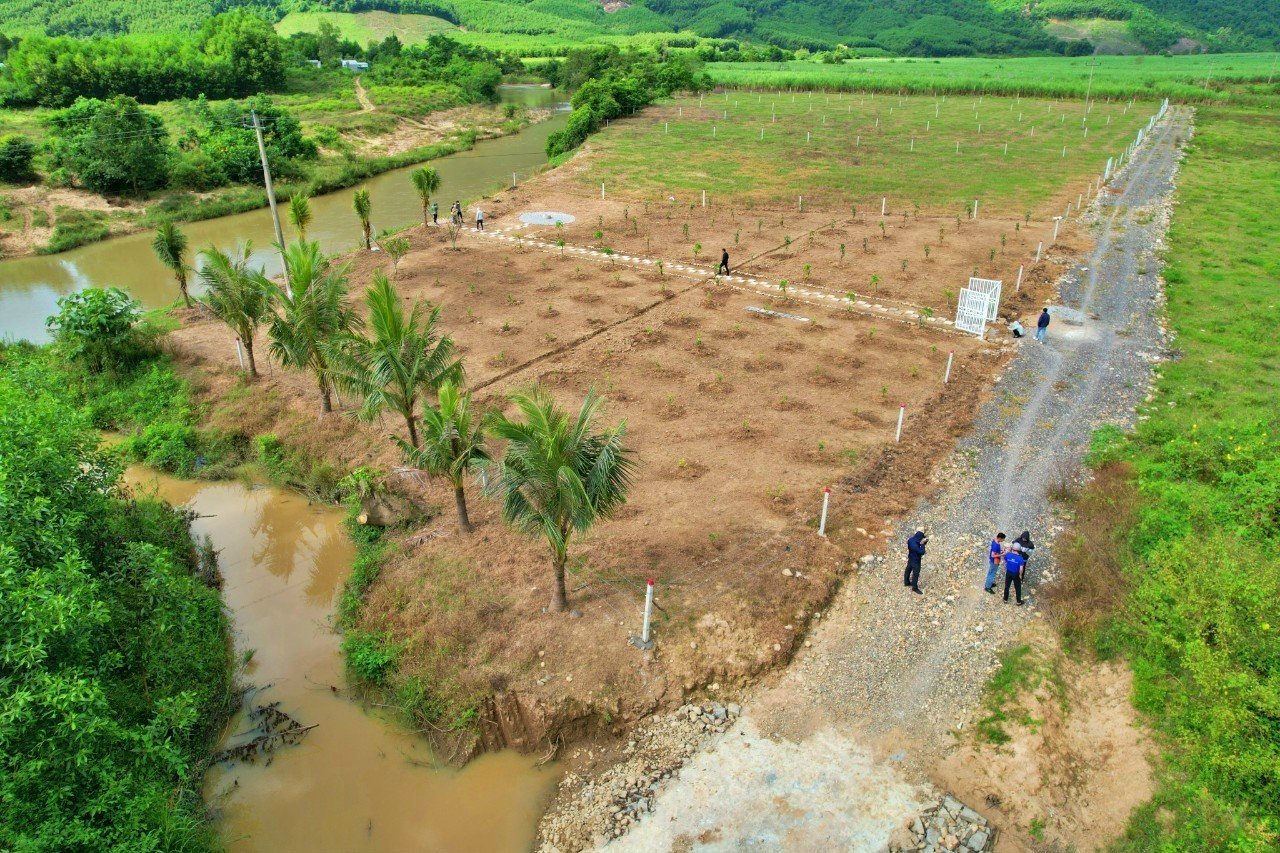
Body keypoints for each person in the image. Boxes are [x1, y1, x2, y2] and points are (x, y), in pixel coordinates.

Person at [903, 530, 928, 594]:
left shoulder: (910, 540)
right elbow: (921, 552)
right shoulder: (916, 546)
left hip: (910, 558)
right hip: (916, 561)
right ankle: (914, 587)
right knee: (916, 574)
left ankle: (906, 582)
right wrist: (922, 544)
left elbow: (914, 544)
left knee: (908, 570)